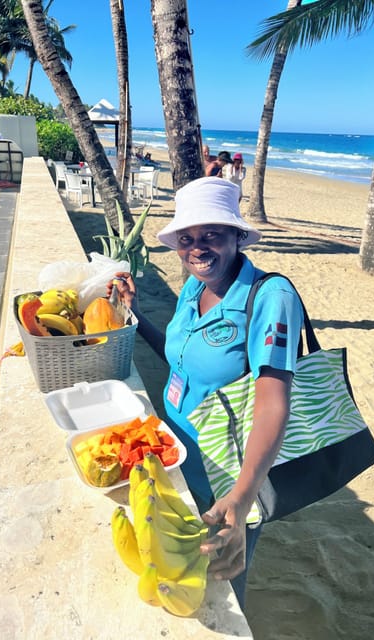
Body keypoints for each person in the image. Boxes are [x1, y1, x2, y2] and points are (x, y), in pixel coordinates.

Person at [108, 176, 304, 608]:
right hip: (180, 458)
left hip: (230, 477)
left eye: (211, 234)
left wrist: (242, 494)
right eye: (187, 238)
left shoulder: (269, 297)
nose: (197, 248)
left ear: (236, 236)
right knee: (180, 574)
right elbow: (181, 358)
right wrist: (135, 315)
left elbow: (274, 400)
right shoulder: (196, 288)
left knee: (219, 586)